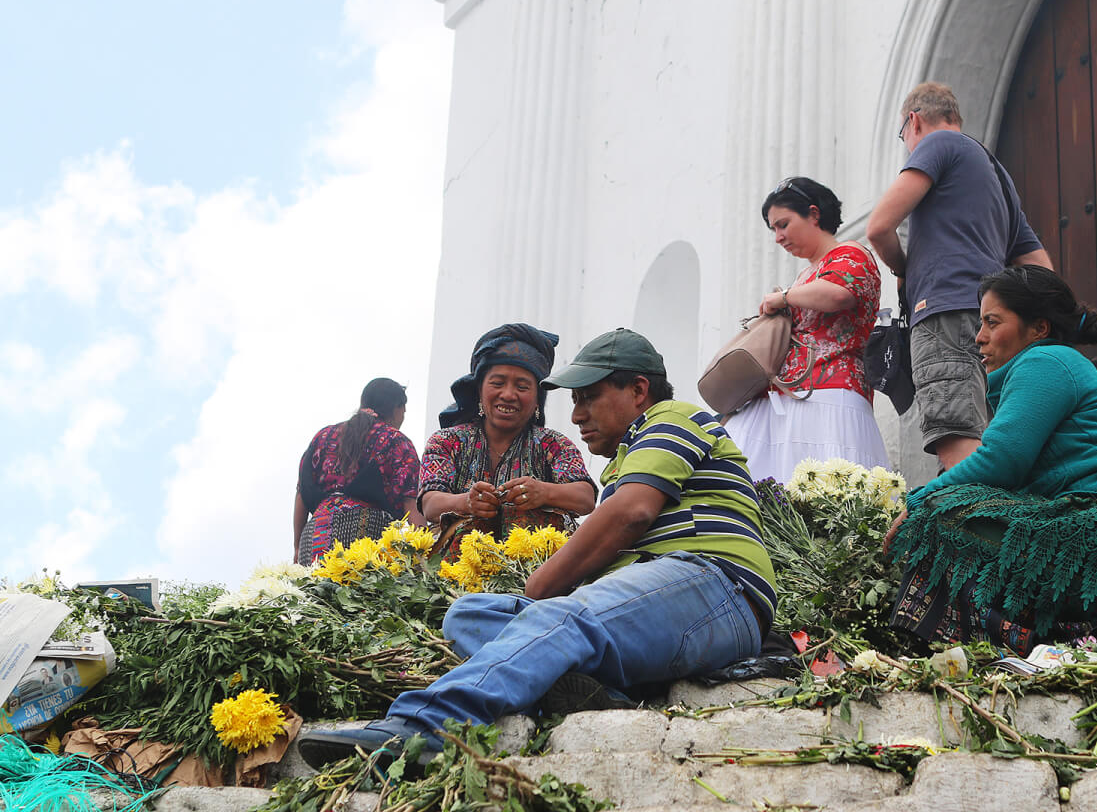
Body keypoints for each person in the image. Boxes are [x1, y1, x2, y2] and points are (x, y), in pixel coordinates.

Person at [298, 329, 775, 763]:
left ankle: (420, 729)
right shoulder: (612, 459)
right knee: (469, 614)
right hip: (655, 604)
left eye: (589, 397)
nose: (577, 414)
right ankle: (597, 692)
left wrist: (541, 587)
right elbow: (429, 500)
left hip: (716, 585)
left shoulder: (672, 417)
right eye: (573, 400)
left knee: (557, 616)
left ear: (638, 391)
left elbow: (630, 512)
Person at [884, 266, 1097, 654]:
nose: (979, 337)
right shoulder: (1040, 369)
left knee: (941, 514)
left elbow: (1000, 462)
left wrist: (916, 501)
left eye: (992, 322)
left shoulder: (1045, 362)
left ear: (1039, 329)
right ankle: (1065, 637)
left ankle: (957, 644)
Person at [866, 81, 1053, 471]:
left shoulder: (938, 144)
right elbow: (1041, 269)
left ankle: (968, 529)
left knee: (956, 442)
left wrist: (903, 269)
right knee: (987, 441)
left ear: (913, 122)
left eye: (904, 136)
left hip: (943, 313)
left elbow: (879, 227)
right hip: (994, 322)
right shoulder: (998, 177)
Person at [723, 177, 890, 482]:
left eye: (783, 224)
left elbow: (839, 293)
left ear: (814, 214)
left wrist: (784, 296)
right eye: (774, 229)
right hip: (792, 393)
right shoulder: (807, 273)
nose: (778, 237)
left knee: (827, 493)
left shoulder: (851, 253)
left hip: (830, 392)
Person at [419, 323, 596, 560]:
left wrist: (543, 492)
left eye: (522, 386)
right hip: (454, 573)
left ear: (537, 399)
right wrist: (467, 502)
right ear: (479, 390)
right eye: (497, 383)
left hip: (537, 575)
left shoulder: (554, 444)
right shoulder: (446, 442)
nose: (509, 394)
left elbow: (585, 498)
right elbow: (430, 504)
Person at [294, 378, 423, 565]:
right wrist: (423, 555)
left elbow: (302, 494)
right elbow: (412, 503)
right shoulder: (397, 441)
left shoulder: (323, 436)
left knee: (315, 592)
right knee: (351, 592)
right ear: (396, 408)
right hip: (366, 539)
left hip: (314, 539)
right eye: (404, 410)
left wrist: (298, 547)